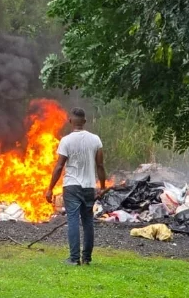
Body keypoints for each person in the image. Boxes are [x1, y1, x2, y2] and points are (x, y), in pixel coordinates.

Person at [44, 107, 106, 266]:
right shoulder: (95, 139)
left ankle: (74, 258)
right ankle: (86, 258)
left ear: (70, 121)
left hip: (71, 186)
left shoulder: (66, 140)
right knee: (88, 222)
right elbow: (100, 165)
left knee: (73, 221)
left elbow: (59, 167)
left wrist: (50, 188)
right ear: (84, 122)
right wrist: (103, 186)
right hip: (88, 187)